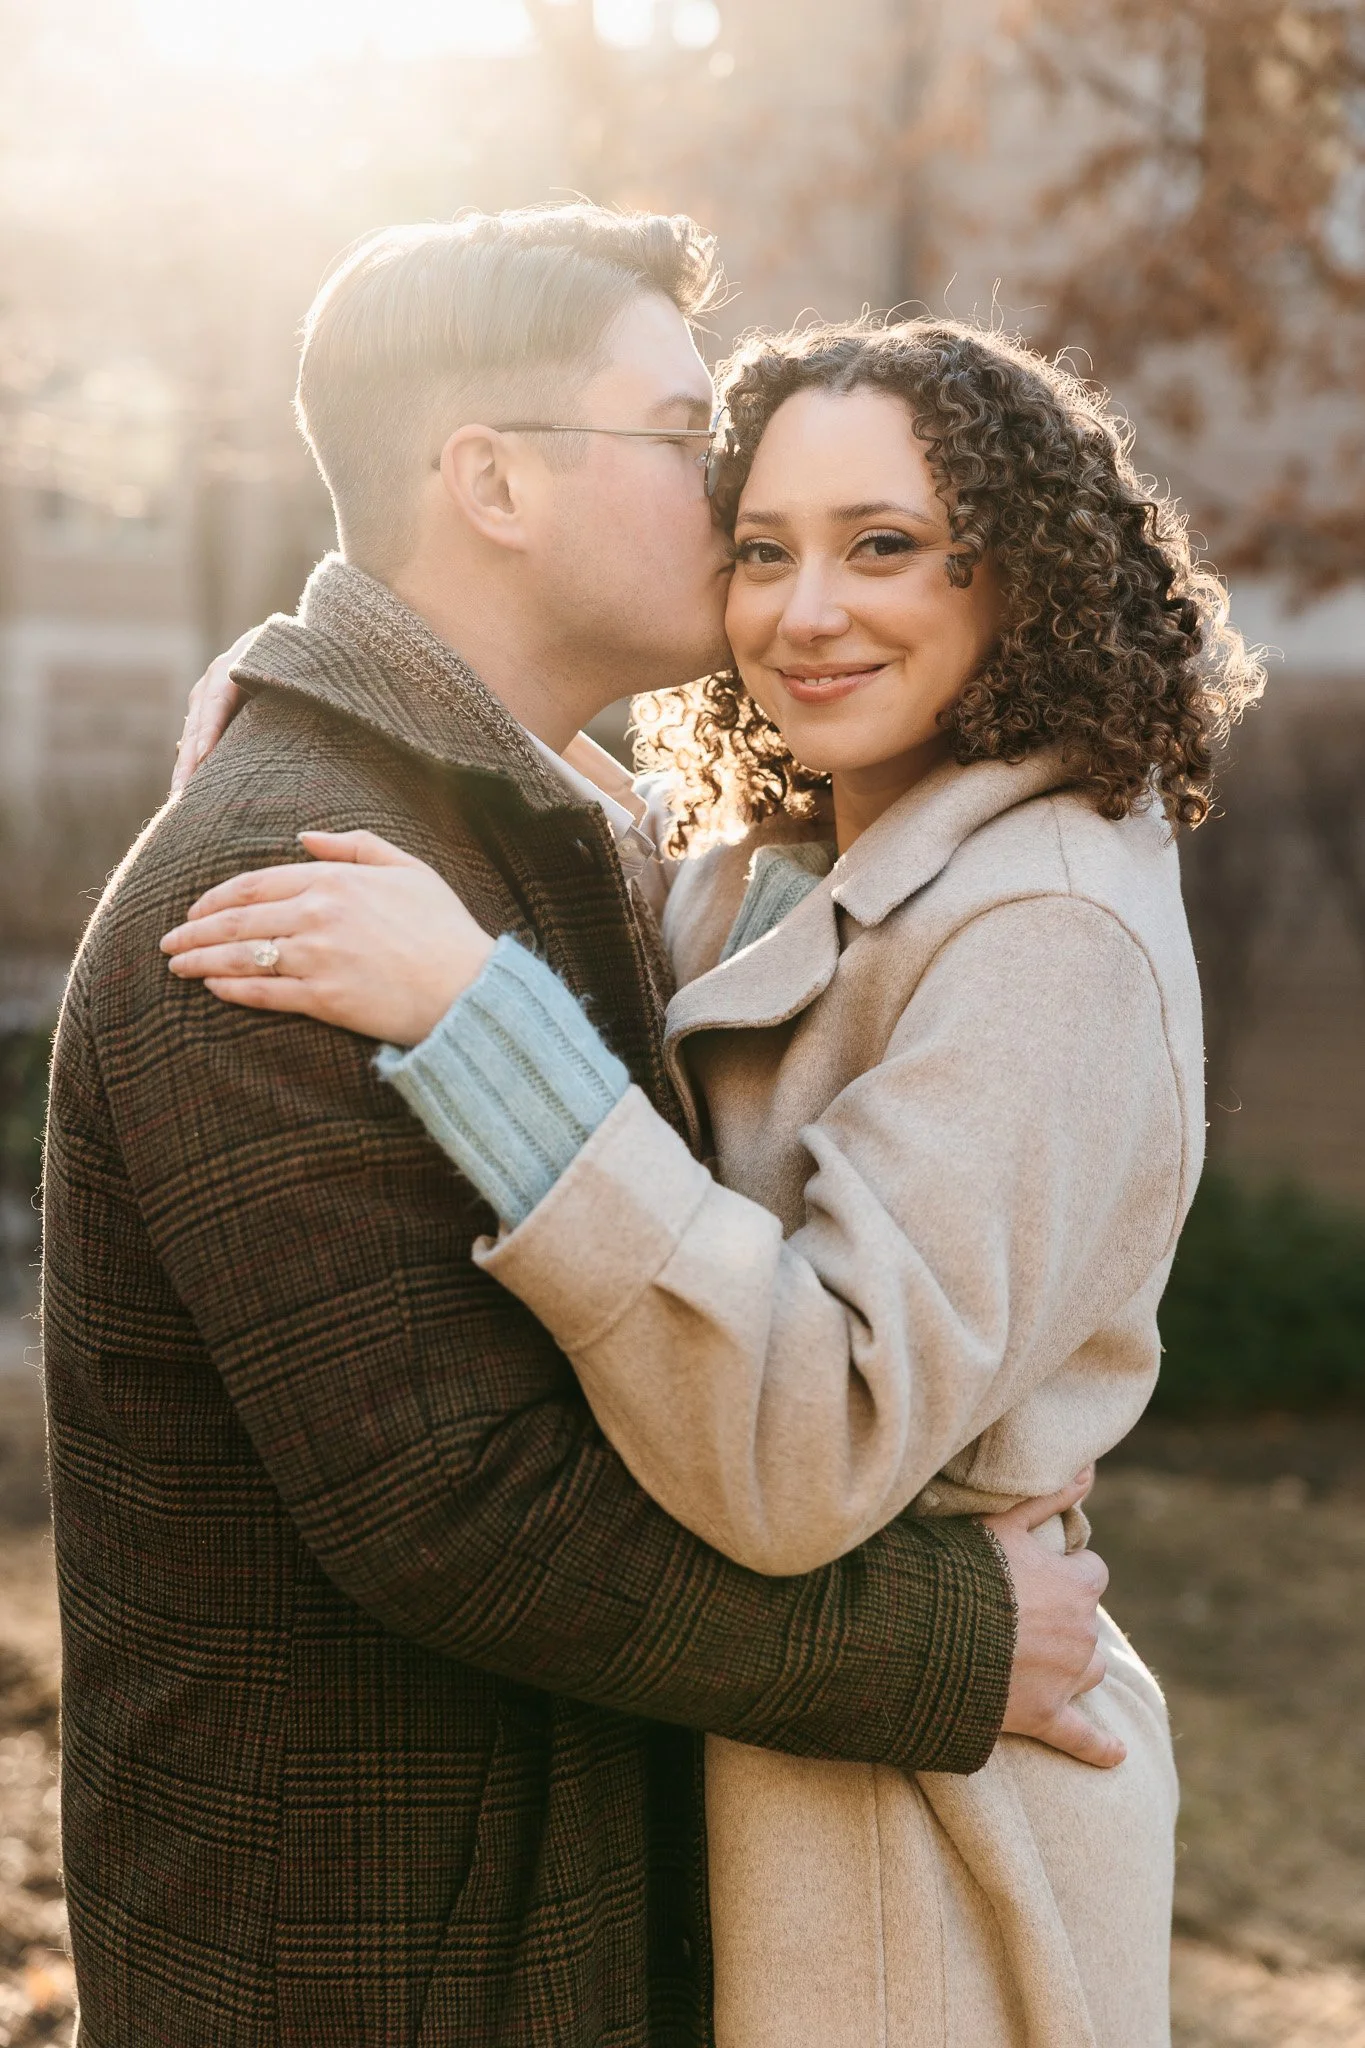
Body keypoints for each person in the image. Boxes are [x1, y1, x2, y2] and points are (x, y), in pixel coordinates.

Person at [43, 210, 1110, 2048]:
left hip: (526, 1919)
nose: (734, 484)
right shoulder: (287, 884)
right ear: (494, 483)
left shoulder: (516, 828)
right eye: (688, 436)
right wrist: (955, 1646)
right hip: (358, 1968)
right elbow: (460, 1509)